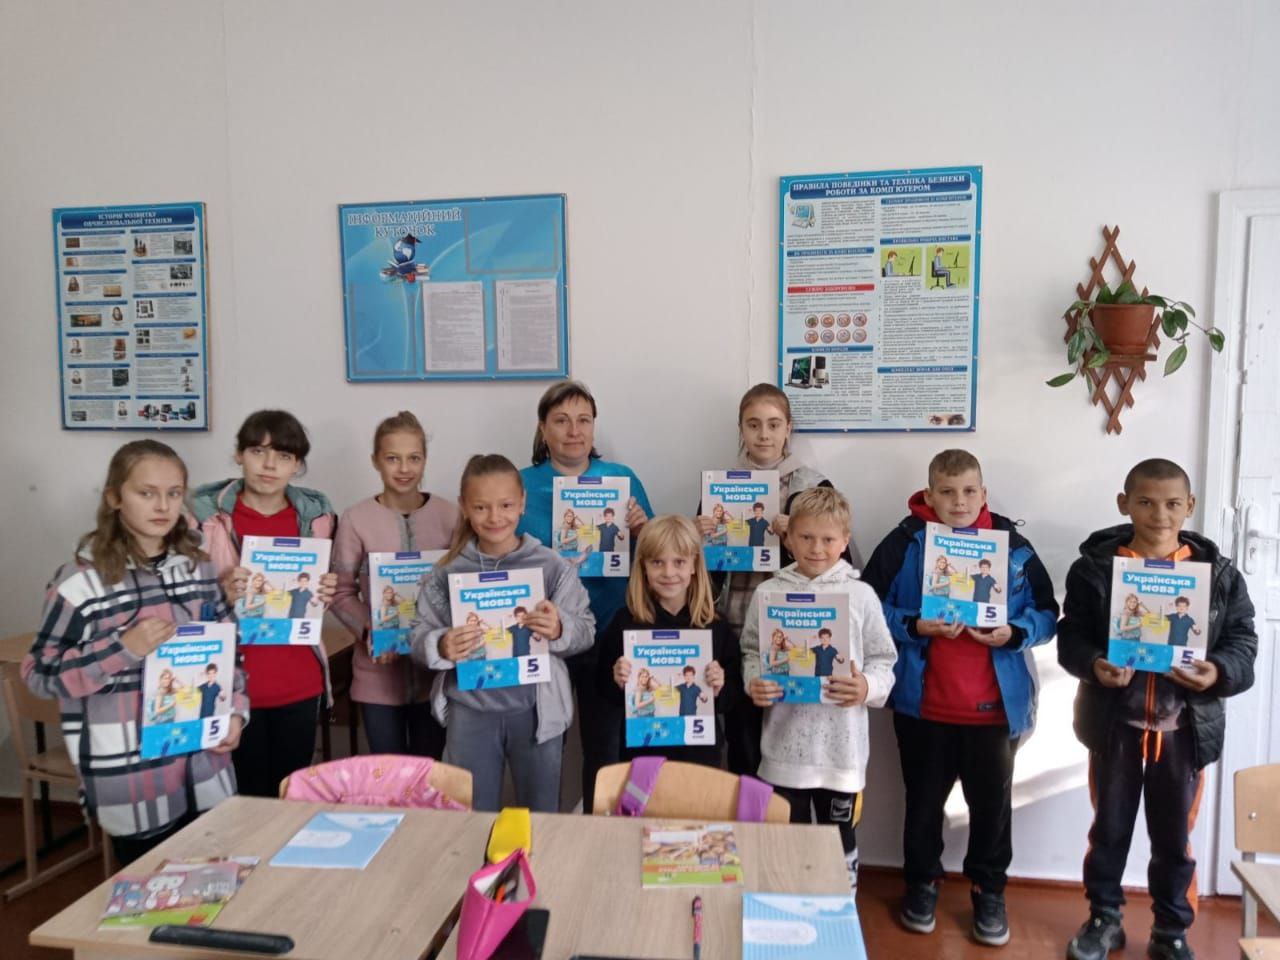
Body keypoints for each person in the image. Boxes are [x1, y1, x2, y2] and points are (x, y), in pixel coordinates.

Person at [1058, 458, 1257, 960]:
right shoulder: (1095, 569)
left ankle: (1171, 929)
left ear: (1190, 506)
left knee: (1174, 837)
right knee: (1109, 829)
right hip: (1114, 726)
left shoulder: (1218, 575)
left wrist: (1217, 672)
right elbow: (1071, 636)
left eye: (1172, 504)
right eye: (1145, 502)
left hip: (1184, 730)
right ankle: (1104, 918)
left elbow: (1242, 641)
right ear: (1124, 504)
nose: (1159, 515)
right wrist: (1095, 664)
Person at [861, 449, 1059, 947]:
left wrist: (1014, 633)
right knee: (923, 805)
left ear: (984, 493)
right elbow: (867, 606)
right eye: (947, 492)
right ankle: (921, 884)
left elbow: (1047, 613)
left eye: (969, 491)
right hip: (923, 706)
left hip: (994, 710)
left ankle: (989, 891)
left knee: (992, 809)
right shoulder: (905, 541)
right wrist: (914, 625)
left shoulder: (1013, 546)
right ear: (929, 495)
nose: (959, 502)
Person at [23, 440, 247, 864]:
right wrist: (121, 649)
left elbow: (229, 652)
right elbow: (40, 674)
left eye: (173, 493)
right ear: (114, 497)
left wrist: (235, 711)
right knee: (151, 888)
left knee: (213, 880)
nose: (162, 506)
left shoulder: (199, 569)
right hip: (133, 779)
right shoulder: (80, 583)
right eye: (146, 493)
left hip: (205, 768)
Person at [413, 454, 594, 812]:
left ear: (522, 502)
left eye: (506, 505)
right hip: (470, 710)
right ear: (464, 507)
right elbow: (419, 635)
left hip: (536, 711)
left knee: (540, 813)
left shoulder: (552, 566)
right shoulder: (447, 572)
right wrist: (442, 645)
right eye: (481, 507)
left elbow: (586, 629)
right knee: (470, 816)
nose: (495, 517)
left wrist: (560, 628)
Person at [701, 383, 864, 778]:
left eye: (774, 425)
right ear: (741, 429)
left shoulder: (813, 485)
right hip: (738, 628)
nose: (764, 435)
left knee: (794, 750)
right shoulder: (721, 486)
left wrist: (795, 537)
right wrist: (698, 535)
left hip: (798, 630)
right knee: (743, 747)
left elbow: (844, 562)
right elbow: (701, 571)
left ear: (789, 428)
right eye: (753, 424)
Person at [741, 487, 896, 897]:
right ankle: (786, 908)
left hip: (841, 755)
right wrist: (754, 680)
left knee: (838, 844)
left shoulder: (861, 596)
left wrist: (866, 686)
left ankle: (838, 912)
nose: (816, 548)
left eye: (828, 539)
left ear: (845, 541)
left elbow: (884, 660)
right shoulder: (768, 593)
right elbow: (751, 651)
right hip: (782, 751)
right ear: (788, 538)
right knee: (785, 843)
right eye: (806, 537)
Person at [517, 381, 652, 809]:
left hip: (608, 630)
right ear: (543, 429)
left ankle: (598, 835)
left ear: (594, 427)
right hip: (541, 635)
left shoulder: (622, 479)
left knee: (605, 749)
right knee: (543, 747)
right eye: (561, 421)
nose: (574, 431)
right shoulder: (520, 485)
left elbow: (659, 554)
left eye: (583, 420)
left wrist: (641, 529)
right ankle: (545, 832)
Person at [191, 410, 337, 798]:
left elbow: (321, 597)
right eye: (258, 451)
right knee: (243, 803)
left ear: (297, 465)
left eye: (284, 456)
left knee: (291, 800)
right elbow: (175, 602)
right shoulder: (204, 518)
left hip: (299, 683)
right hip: (232, 686)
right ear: (239, 455)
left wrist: (326, 591)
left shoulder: (318, 518)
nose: (270, 465)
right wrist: (218, 592)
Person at [331, 411, 458, 757]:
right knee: (387, 775)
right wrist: (371, 629)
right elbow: (341, 592)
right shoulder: (356, 519)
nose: (404, 468)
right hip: (377, 678)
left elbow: (462, 587)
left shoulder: (450, 516)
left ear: (425, 460)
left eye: (414, 458)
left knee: (429, 772)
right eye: (392, 458)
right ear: (375, 460)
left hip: (434, 676)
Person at [598, 515, 741, 771]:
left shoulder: (715, 626)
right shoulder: (625, 622)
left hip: (700, 758)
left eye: (679, 562)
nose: (668, 572)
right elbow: (605, 691)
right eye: (657, 562)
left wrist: (719, 687)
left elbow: (733, 697)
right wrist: (617, 679)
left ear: (694, 565)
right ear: (643, 566)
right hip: (641, 756)